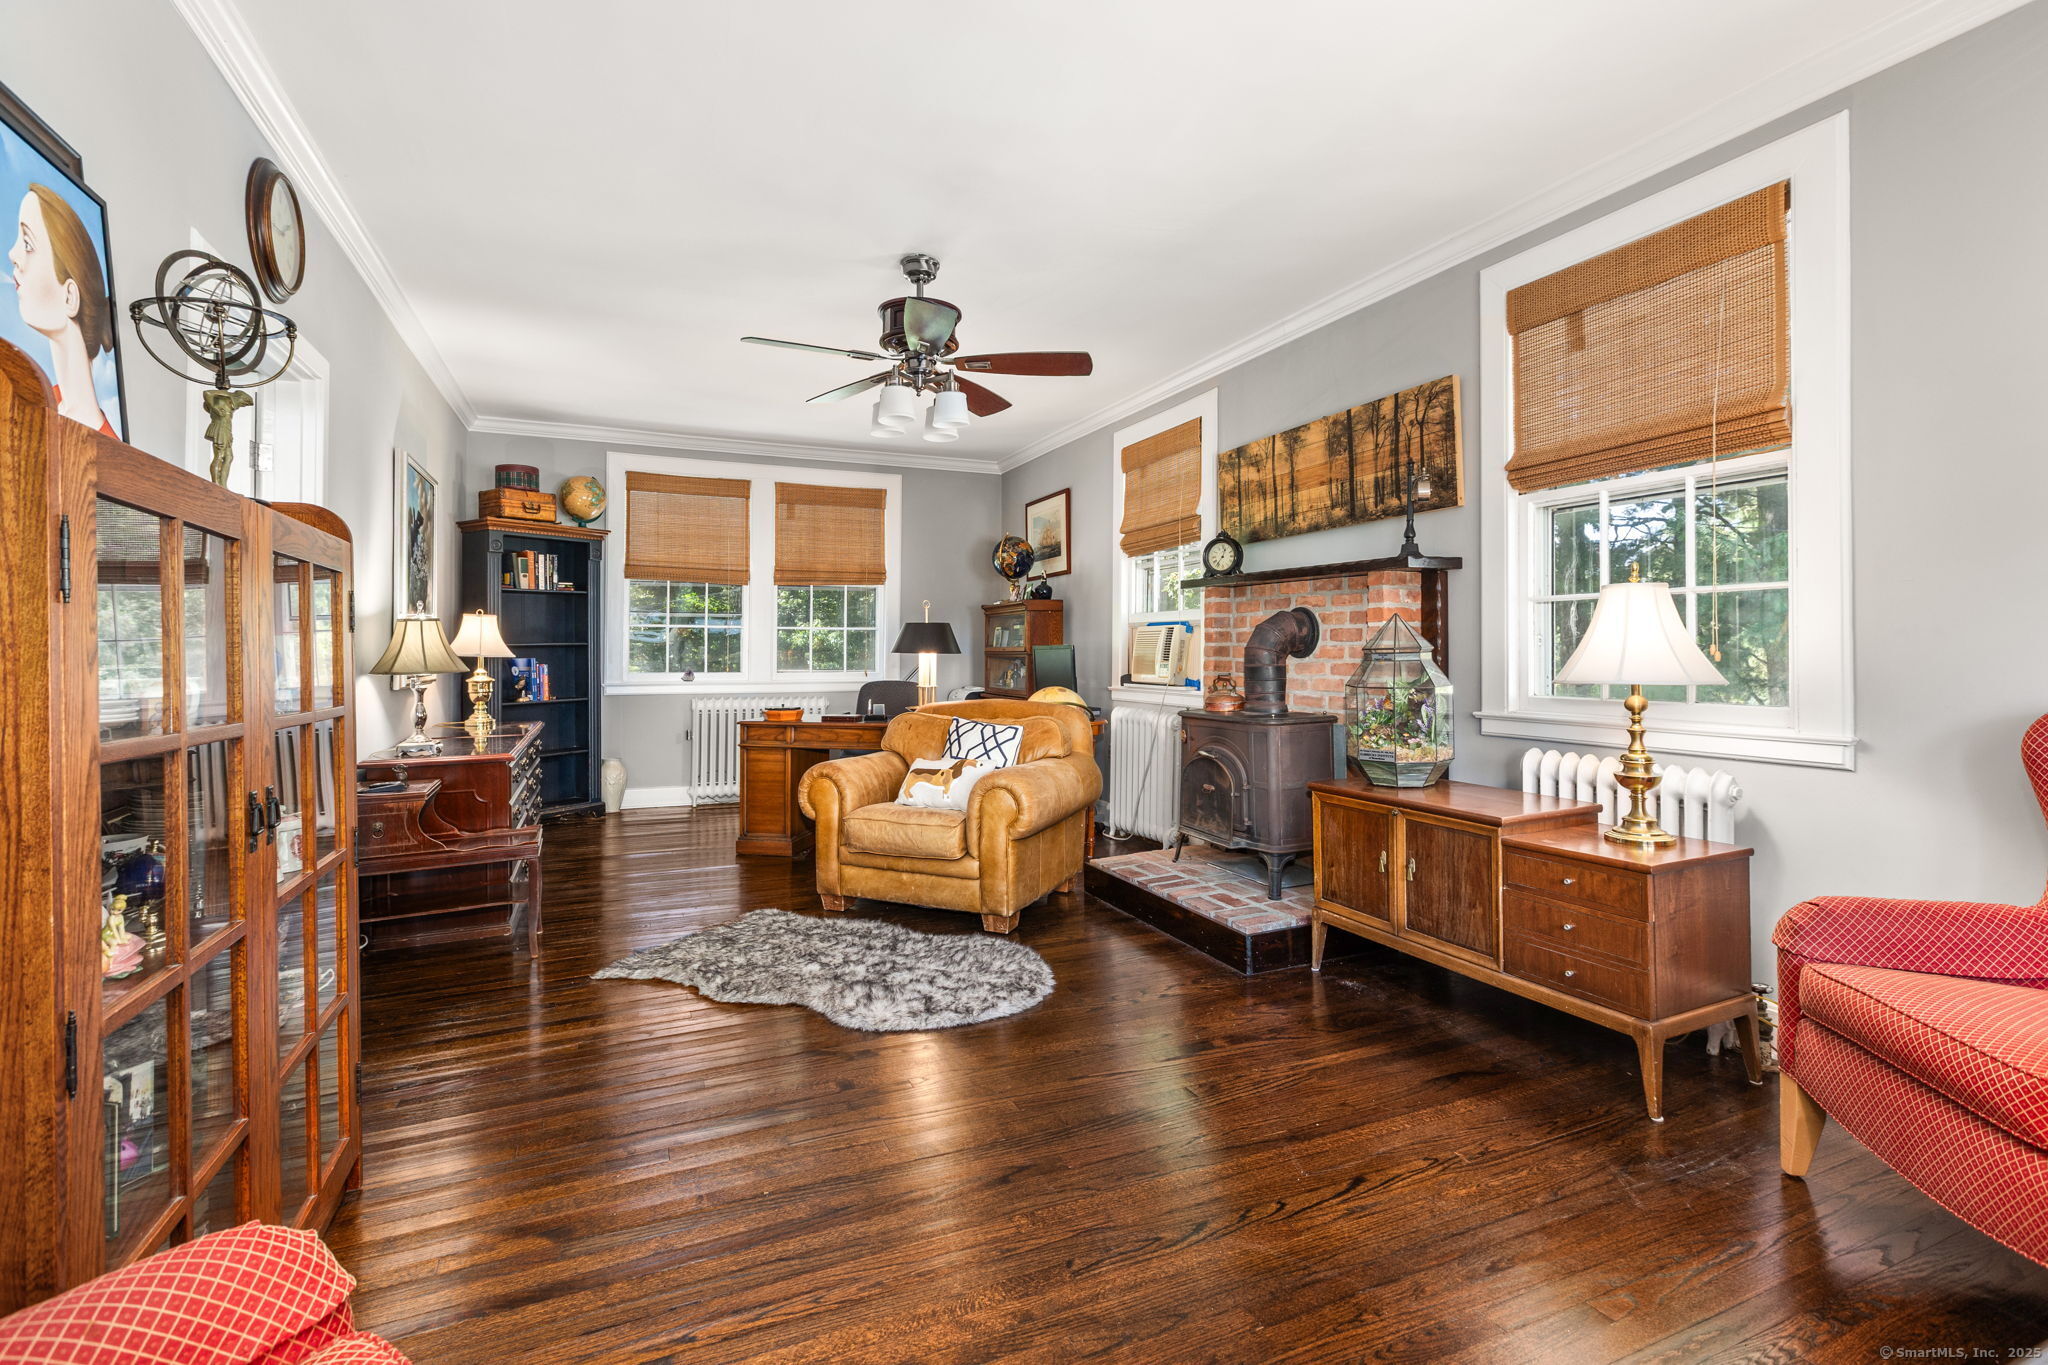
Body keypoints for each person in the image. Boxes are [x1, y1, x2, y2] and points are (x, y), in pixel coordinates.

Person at [8, 183, 116, 437]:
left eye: (28, 244)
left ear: (70, 296)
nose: (13, 254)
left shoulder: (106, 449)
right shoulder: (35, 408)